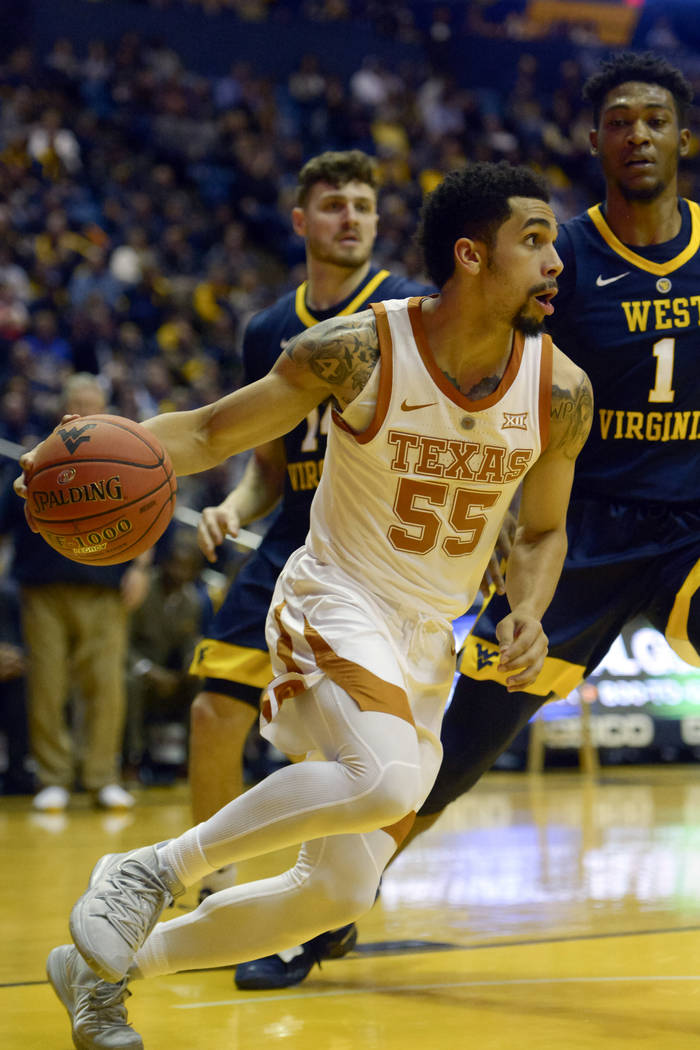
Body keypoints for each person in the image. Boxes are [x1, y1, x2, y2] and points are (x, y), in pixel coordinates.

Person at [22, 160, 592, 1050]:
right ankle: (147, 871)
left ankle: (100, 977)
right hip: (336, 596)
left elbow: (544, 532)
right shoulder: (361, 347)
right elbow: (211, 432)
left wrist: (528, 609)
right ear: (472, 256)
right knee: (387, 779)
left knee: (337, 896)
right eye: (535, 240)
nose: (557, 259)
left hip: (430, 640)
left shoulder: (561, 392)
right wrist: (74, 452)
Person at [409, 51, 700, 840]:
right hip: (576, 528)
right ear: (595, 142)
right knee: (450, 756)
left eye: (655, 121)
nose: (637, 135)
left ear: (685, 138)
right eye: (619, 124)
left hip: (690, 527)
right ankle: (326, 911)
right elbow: (477, 364)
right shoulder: (558, 259)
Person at [187, 148, 433, 985]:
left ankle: (322, 902)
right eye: (334, 205)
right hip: (290, 535)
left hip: (375, 548)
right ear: (301, 221)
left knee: (340, 747)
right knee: (212, 712)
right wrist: (231, 507)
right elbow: (264, 459)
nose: (352, 218)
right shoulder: (266, 328)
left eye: (365, 204)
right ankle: (206, 889)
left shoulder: (409, 311)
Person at [0, 373, 151, 812]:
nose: (85, 409)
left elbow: (146, 511)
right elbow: (8, 517)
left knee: (106, 685)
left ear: (105, 408)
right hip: (42, 585)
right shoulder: (35, 455)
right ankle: (54, 778)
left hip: (105, 585)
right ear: (64, 409)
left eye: (93, 402)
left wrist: (141, 567)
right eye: (77, 402)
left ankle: (101, 776)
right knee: (47, 684)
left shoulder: (124, 454)